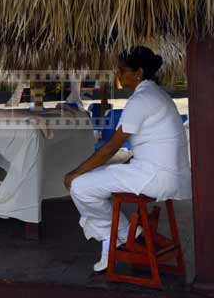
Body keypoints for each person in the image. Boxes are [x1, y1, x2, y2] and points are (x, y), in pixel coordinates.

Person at [64, 46, 191, 272]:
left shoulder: (141, 99)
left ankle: (120, 236)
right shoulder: (157, 95)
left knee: (79, 186)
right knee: (95, 180)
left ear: (138, 72)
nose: (119, 76)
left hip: (153, 177)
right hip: (165, 175)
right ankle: (118, 236)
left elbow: (110, 147)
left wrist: (75, 173)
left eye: (122, 71)